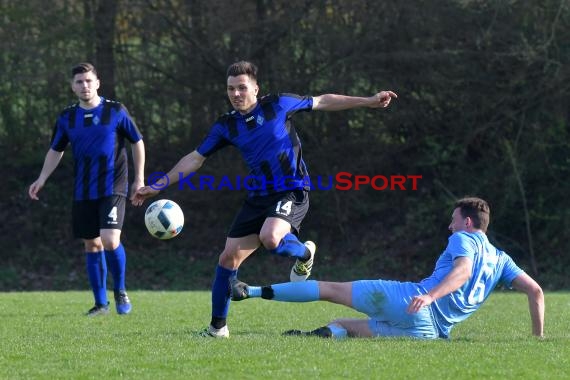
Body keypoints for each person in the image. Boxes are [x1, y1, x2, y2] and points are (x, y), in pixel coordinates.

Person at [133, 60, 398, 338]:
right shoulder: (227, 125)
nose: (236, 94)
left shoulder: (279, 105)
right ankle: (217, 329)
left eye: (242, 88)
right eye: (230, 89)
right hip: (258, 197)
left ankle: (304, 254)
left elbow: (323, 101)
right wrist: (158, 185)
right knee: (227, 259)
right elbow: (196, 158)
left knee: (271, 237)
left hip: (291, 190)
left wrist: (367, 101)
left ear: (256, 88)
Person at [230, 197, 545, 339]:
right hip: (430, 333)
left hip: (412, 303)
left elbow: (462, 270)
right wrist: (537, 337)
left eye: (453, 220)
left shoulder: (464, 239)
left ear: (466, 222)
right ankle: (313, 337)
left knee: (331, 290)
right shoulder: (501, 259)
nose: (450, 227)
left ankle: (250, 290)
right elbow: (536, 291)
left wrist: (431, 296)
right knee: (345, 325)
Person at [29, 62, 146, 316]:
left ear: (98, 82)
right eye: (79, 82)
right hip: (84, 190)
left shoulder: (116, 110)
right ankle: (100, 304)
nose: (85, 86)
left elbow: (137, 142)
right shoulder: (67, 117)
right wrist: (42, 178)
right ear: (73, 87)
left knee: (109, 239)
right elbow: (55, 150)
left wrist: (140, 179)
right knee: (91, 245)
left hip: (114, 185)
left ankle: (121, 291)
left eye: (89, 81)